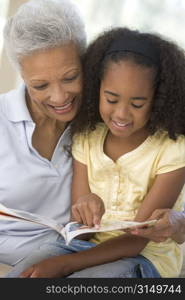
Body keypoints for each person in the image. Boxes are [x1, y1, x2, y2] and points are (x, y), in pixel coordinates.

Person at [9, 27, 185, 278]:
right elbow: (82, 231)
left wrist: (65, 265)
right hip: (83, 246)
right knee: (24, 274)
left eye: (137, 104)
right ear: (97, 89)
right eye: (111, 99)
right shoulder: (88, 138)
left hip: (144, 257)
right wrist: (84, 208)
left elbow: (137, 241)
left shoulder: (172, 150)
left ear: (158, 100)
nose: (122, 114)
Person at [0, 0, 86, 268]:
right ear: (23, 76)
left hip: (75, 260)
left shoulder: (106, 118)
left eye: (70, 77)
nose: (60, 97)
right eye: (40, 85)